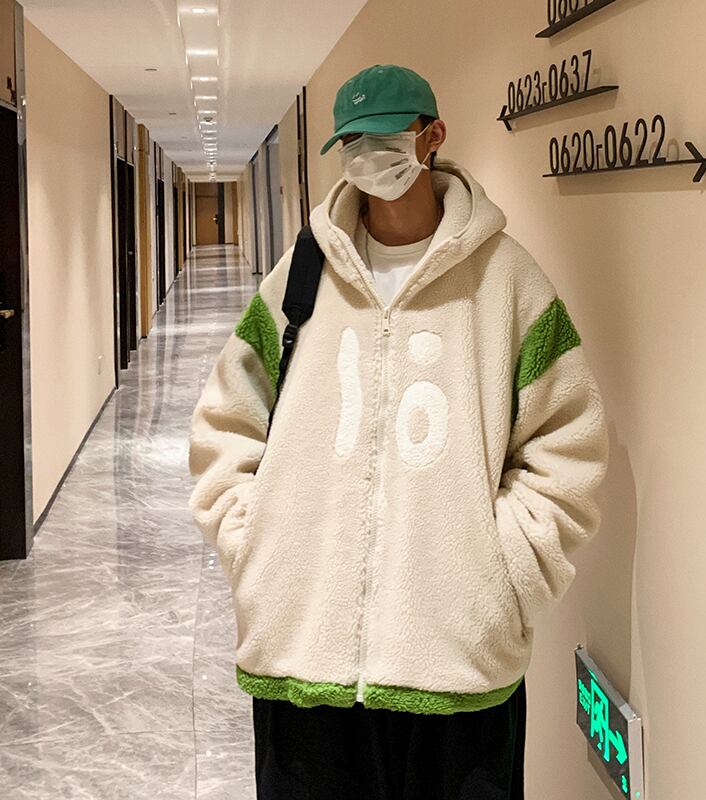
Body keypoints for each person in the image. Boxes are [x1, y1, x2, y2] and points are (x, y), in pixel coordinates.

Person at [188, 63, 610, 799]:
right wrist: (255, 548)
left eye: (384, 138)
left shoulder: (507, 282)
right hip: (301, 652)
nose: (367, 157)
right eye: (351, 142)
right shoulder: (300, 278)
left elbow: (567, 443)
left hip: (458, 664)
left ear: (432, 136)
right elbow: (228, 418)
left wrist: (506, 578)